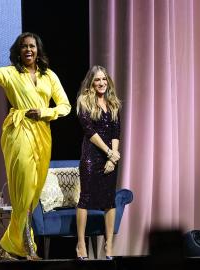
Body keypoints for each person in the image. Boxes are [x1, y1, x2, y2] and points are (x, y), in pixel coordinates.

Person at [0, 19, 71, 260]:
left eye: (32, 46)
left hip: (42, 134)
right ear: (18, 51)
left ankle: (8, 246)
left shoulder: (49, 76)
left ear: (38, 50)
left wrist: (47, 112)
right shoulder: (11, 73)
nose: (28, 49)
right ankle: (28, 247)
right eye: (24, 46)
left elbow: (66, 106)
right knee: (24, 189)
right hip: (19, 130)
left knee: (33, 192)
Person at [75, 65, 121, 260]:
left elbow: (115, 132)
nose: (101, 83)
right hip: (91, 157)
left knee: (109, 201)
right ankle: (81, 244)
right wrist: (109, 152)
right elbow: (90, 132)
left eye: (104, 79)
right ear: (91, 83)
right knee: (85, 199)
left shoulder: (113, 103)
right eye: (97, 80)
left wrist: (114, 156)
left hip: (110, 157)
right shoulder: (84, 102)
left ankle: (109, 246)